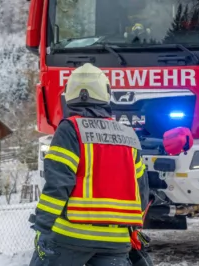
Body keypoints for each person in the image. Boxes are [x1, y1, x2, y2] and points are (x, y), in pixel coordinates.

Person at [29, 63, 150, 266]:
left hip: (70, 237)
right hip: (116, 240)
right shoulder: (129, 135)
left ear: (69, 95)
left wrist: (42, 224)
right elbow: (142, 190)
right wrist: (133, 229)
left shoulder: (69, 129)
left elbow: (59, 183)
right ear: (106, 93)